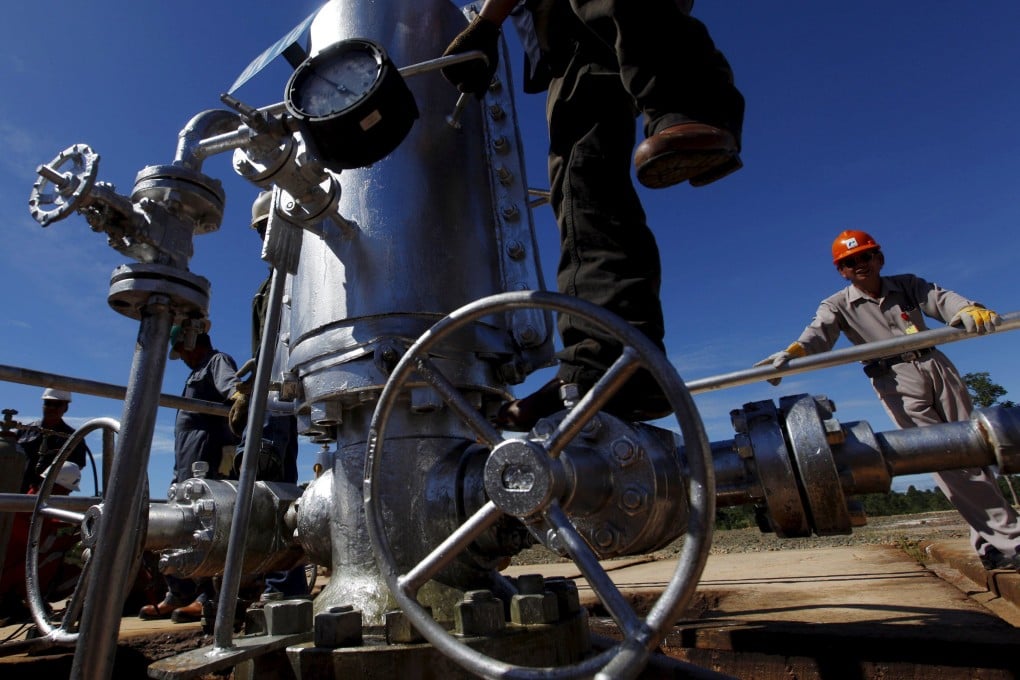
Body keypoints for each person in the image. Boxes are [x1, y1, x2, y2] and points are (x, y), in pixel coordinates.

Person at [441, 0, 745, 429]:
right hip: (565, 45)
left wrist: (489, 21)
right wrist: (489, 27)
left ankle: (688, 100)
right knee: (582, 184)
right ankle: (607, 361)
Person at [754, 229, 1020, 570]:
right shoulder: (837, 304)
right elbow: (819, 333)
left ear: (879, 258)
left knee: (978, 450)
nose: (859, 264)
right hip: (895, 379)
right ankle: (1011, 541)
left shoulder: (907, 285)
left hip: (936, 365)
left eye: (865, 256)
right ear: (842, 271)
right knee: (947, 457)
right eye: (850, 262)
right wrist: (795, 353)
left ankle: (988, 544)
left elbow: (941, 299)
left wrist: (967, 308)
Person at [139, 327, 239, 622]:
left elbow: (233, 391)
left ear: (192, 340)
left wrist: (239, 398)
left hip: (207, 461)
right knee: (176, 524)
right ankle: (178, 593)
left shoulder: (216, 361)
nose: (182, 357)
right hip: (185, 463)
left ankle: (207, 597)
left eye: (182, 350)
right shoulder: (195, 372)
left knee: (206, 526)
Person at [17, 388, 91, 494]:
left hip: (49, 497)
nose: (51, 408)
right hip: (15, 492)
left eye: (57, 404)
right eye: (48, 403)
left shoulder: (73, 438)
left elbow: (74, 469)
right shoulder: (24, 431)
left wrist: (44, 489)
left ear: (66, 408)